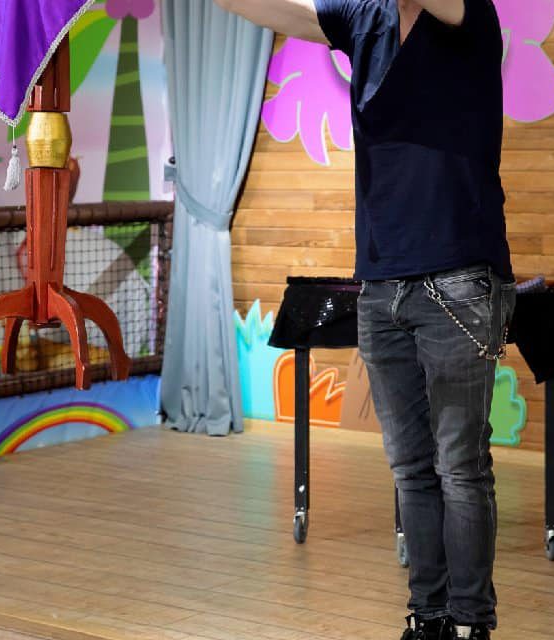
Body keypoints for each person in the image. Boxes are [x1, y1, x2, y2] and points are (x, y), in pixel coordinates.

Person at [213, 1, 517, 639]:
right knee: (411, 469)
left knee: (461, 467)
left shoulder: (469, 13)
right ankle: (428, 618)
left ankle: (470, 624)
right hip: (381, 286)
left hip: (460, 279)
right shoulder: (362, 16)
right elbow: (265, 7)